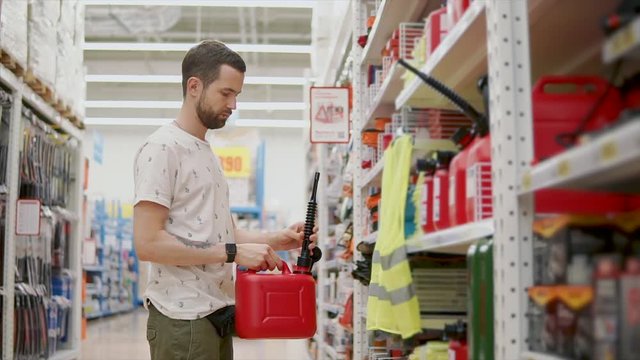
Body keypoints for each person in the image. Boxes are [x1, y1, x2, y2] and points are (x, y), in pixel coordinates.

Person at [132, 40, 317, 360]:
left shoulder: (205, 152)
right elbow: (148, 243)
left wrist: (278, 239)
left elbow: (223, 235)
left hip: (215, 313)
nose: (233, 104)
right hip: (183, 319)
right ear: (194, 86)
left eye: (237, 95)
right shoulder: (163, 148)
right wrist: (233, 253)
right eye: (226, 93)